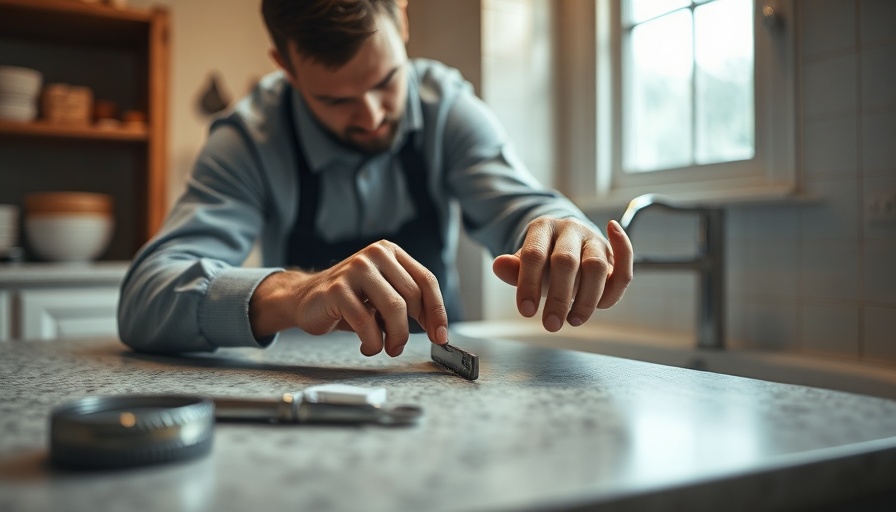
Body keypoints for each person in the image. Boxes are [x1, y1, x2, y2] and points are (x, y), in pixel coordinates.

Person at [117, 0, 633, 357]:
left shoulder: (447, 108)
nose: (369, 116)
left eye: (387, 81)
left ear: (402, 19)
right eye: (335, 99)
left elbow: (524, 208)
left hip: (443, 382)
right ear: (285, 66)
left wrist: (565, 231)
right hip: (300, 391)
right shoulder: (249, 137)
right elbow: (145, 298)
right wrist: (296, 295)